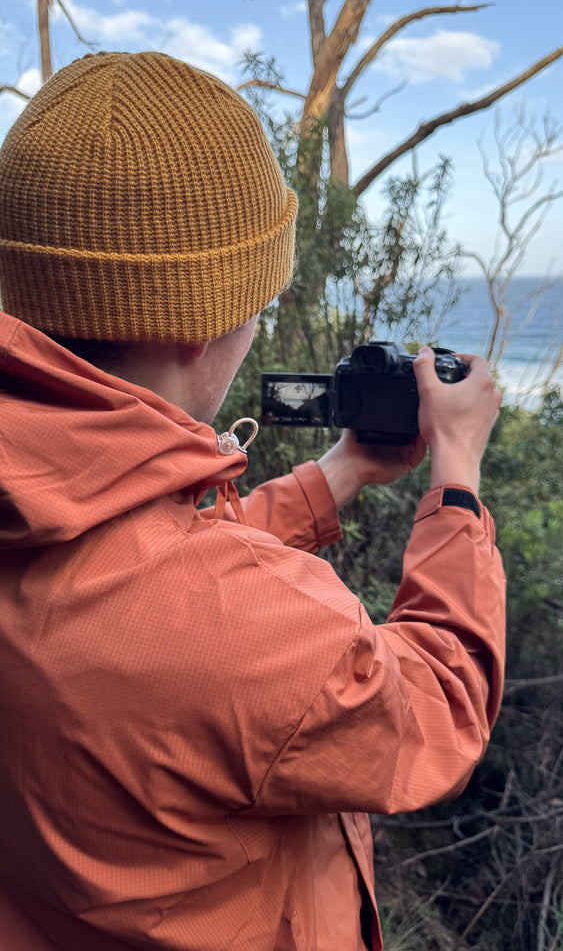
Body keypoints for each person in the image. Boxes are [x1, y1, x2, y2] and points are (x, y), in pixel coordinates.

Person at [0, 51, 505, 951]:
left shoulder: (34, 496)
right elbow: (436, 709)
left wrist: (335, 477)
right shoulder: (244, 628)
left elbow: (140, 568)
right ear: (201, 323)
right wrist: (456, 477)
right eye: (255, 299)